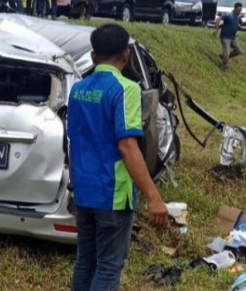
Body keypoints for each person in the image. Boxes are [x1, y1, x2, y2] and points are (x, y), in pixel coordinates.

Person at [67, 24, 169, 291]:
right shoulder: (126, 89)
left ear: (93, 56)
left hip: (84, 191)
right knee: (109, 265)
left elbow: (72, 141)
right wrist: (153, 196)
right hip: (112, 193)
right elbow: (127, 146)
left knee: (85, 261)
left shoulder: (77, 90)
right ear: (126, 56)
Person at [212, 2, 246, 70]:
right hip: (225, 38)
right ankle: (222, 66)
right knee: (227, 53)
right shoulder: (228, 15)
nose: (240, 12)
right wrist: (216, 30)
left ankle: (223, 56)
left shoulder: (238, 17)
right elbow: (218, 19)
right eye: (238, 10)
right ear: (235, 8)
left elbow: (242, 24)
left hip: (233, 38)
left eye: (240, 10)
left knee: (239, 51)